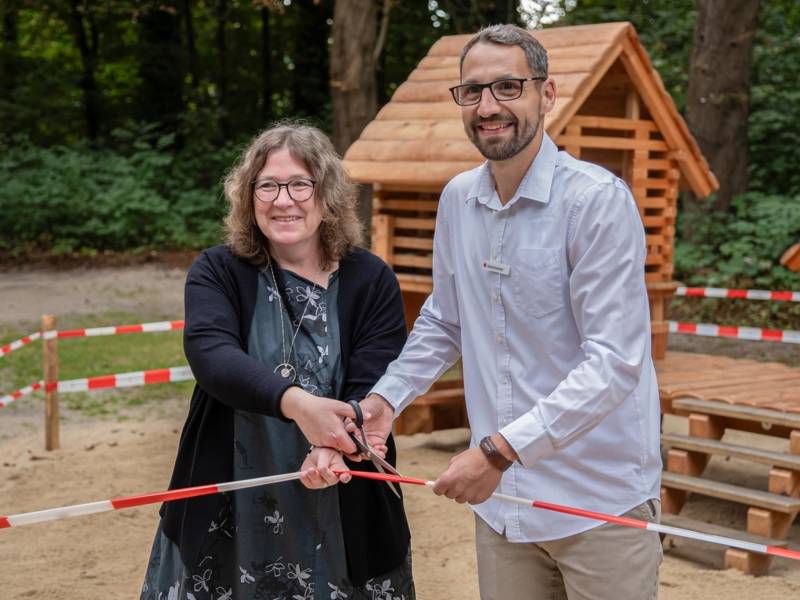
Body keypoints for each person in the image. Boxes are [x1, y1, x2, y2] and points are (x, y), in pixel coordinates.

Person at [360, 24, 662, 599]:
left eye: (507, 87)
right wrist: (385, 399)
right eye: (472, 92)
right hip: (504, 509)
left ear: (546, 95)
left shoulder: (595, 202)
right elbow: (445, 320)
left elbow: (615, 363)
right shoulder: (457, 199)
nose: (488, 106)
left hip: (597, 501)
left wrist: (498, 451)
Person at [140, 122, 415, 600]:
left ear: (326, 194)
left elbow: (374, 380)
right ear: (248, 198)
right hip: (232, 508)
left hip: (343, 488)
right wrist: (299, 405)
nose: (282, 199)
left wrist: (336, 441)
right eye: (267, 185)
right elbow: (212, 355)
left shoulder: (371, 279)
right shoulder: (218, 270)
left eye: (299, 184)